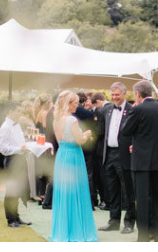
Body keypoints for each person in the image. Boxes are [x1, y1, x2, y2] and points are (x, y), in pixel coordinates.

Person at [120, 80, 158, 242]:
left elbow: (125, 131)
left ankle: (144, 237)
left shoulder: (137, 110)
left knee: (143, 201)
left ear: (138, 94)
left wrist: (137, 144)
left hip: (141, 162)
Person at [50, 90, 98, 242]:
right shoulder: (71, 121)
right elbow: (79, 141)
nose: (77, 106)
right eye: (75, 103)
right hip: (73, 156)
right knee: (76, 191)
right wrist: (87, 134)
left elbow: (60, 139)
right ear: (68, 103)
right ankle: (76, 231)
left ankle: (62, 230)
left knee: (64, 192)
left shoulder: (55, 119)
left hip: (62, 155)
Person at [97, 83, 135, 234]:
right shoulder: (106, 110)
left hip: (125, 154)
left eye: (117, 94)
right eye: (112, 95)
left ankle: (129, 223)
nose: (114, 97)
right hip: (109, 154)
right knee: (112, 190)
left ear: (124, 94)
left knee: (128, 191)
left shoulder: (132, 110)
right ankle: (113, 221)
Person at [0, 104, 32, 227]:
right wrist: (19, 148)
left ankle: (16, 217)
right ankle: (10, 220)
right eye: (18, 110)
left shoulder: (16, 125)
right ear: (10, 111)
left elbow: (20, 142)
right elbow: (3, 148)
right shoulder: (5, 127)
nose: (20, 112)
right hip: (11, 161)